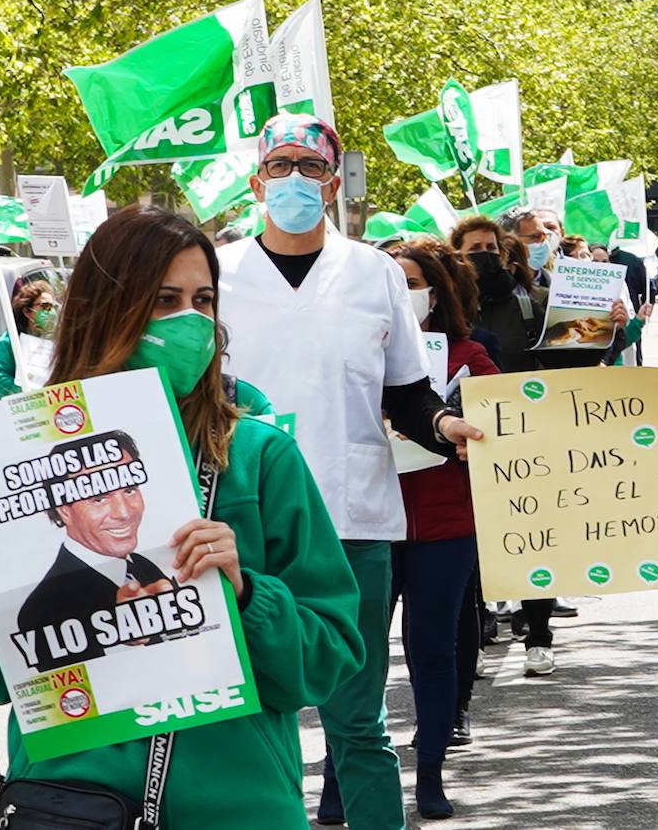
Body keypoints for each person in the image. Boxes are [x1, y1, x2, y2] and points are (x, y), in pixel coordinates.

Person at [0, 205, 366, 827]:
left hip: (237, 806)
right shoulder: (10, 457)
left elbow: (327, 660)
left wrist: (247, 594)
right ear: (100, 310)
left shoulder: (256, 457)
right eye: (164, 300)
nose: (191, 322)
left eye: (204, 300)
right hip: (70, 807)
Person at [217, 113, 480, 830]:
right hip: (238, 523)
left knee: (356, 721)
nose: (295, 180)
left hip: (352, 520)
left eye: (310, 167)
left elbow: (405, 388)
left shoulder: (373, 272)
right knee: (243, 718)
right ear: (255, 181)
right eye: (281, 166)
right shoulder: (216, 273)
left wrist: (441, 423)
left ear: (334, 184)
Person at [388, 239, 500, 819]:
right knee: (354, 658)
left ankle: (429, 772)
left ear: (436, 290)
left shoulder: (469, 354)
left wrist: (471, 432)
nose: (402, 294)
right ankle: (341, 776)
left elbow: (507, 426)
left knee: (431, 649)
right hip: (366, 524)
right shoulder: (351, 355)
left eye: (412, 283)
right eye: (392, 282)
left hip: (445, 525)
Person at [15, 430, 173, 672]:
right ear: (64, 510)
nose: (124, 512)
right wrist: (125, 641)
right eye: (99, 497)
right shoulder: (42, 609)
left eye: (129, 489)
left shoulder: (145, 566)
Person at [451, 216, 547, 374]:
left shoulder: (526, 309)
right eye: (475, 248)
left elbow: (559, 360)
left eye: (491, 247)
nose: (485, 253)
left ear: (501, 254)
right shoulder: (446, 308)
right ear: (457, 256)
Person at [0, 280, 57, 398]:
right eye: (45, 306)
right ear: (27, 312)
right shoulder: (9, 342)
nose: (51, 312)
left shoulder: (57, 341)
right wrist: (28, 392)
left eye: (53, 307)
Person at [501, 206, 555, 287]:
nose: (543, 241)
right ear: (511, 241)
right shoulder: (501, 286)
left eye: (545, 235)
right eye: (536, 236)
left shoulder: (552, 281)